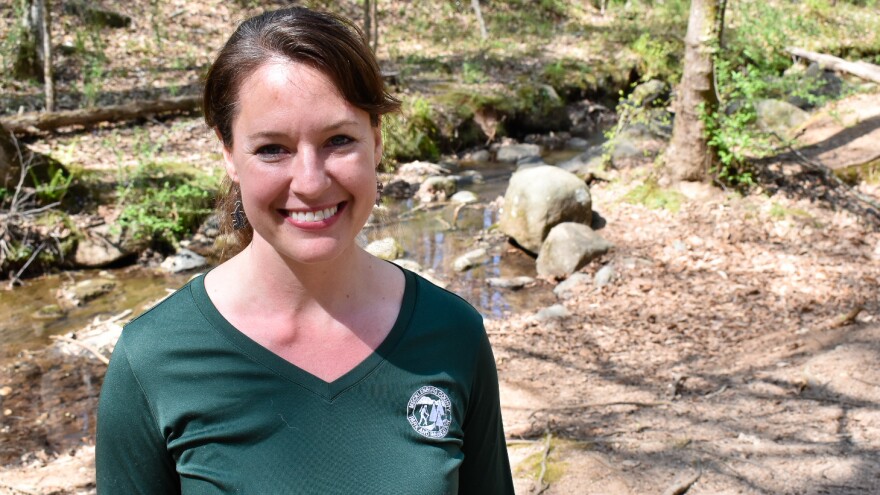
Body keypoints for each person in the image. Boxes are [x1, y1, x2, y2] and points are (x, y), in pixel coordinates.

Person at [96, 6, 514, 494]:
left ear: (376, 142)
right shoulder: (152, 360)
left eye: (339, 140)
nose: (311, 182)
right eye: (272, 149)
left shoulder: (452, 333)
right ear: (228, 153)